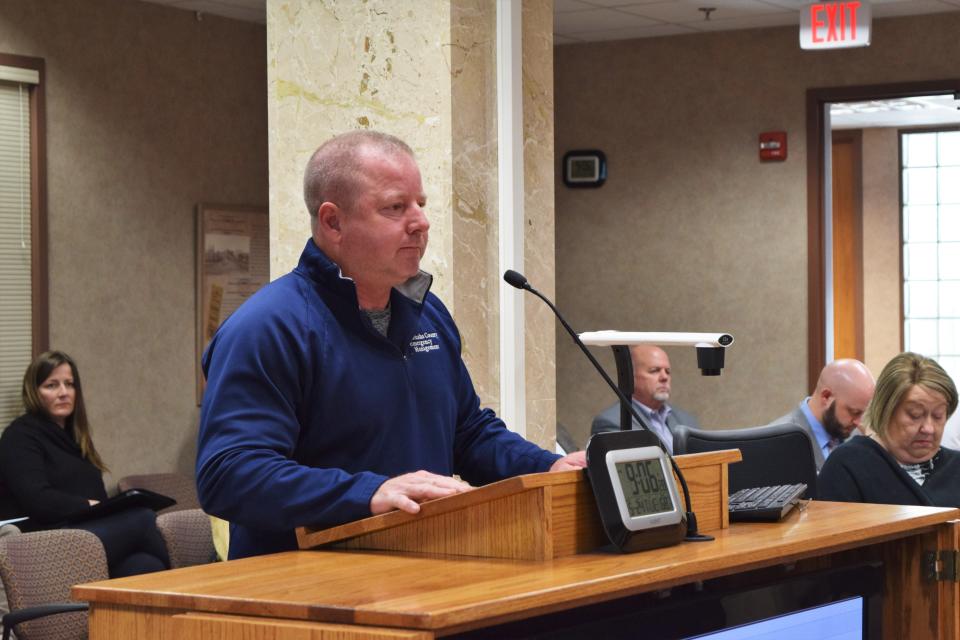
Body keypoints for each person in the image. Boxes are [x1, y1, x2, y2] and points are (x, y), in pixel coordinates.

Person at [196, 131, 585, 560]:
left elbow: (468, 434)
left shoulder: (427, 313)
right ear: (333, 222)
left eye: (421, 204)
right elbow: (229, 475)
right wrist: (370, 492)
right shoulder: (269, 327)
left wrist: (546, 466)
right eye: (395, 207)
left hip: (424, 570)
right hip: (306, 591)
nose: (420, 222)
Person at [0, 351, 170, 578]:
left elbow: (96, 495)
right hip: (43, 540)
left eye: (69, 384)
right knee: (143, 519)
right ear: (34, 392)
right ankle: (198, 584)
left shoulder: (76, 439)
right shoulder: (19, 436)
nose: (63, 393)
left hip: (82, 533)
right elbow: (38, 499)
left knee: (145, 564)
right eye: (51, 385)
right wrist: (88, 505)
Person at [818, 352, 959, 507]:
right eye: (915, 415)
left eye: (938, 416)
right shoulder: (848, 465)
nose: (928, 428)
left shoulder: (955, 466)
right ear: (885, 411)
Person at [765, 359, 875, 471]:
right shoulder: (776, 442)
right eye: (854, 412)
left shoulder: (855, 436)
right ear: (826, 396)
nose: (858, 422)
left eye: (862, 413)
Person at [590, 345, 699, 454]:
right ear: (631, 377)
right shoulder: (612, 422)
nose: (664, 377)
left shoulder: (686, 419)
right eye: (654, 370)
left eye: (668, 371)